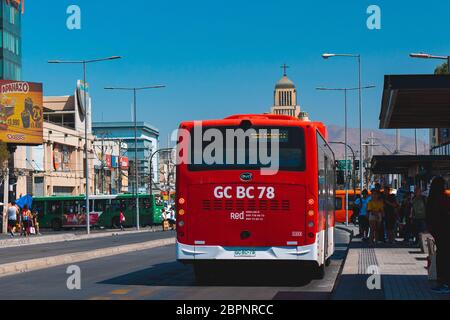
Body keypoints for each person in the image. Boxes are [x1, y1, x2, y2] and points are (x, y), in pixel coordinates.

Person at [426, 177, 450, 294]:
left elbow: (429, 216)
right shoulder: (444, 198)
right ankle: (445, 282)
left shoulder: (431, 198)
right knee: (445, 256)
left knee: (442, 255)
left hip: (438, 232)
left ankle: (443, 282)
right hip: (445, 231)